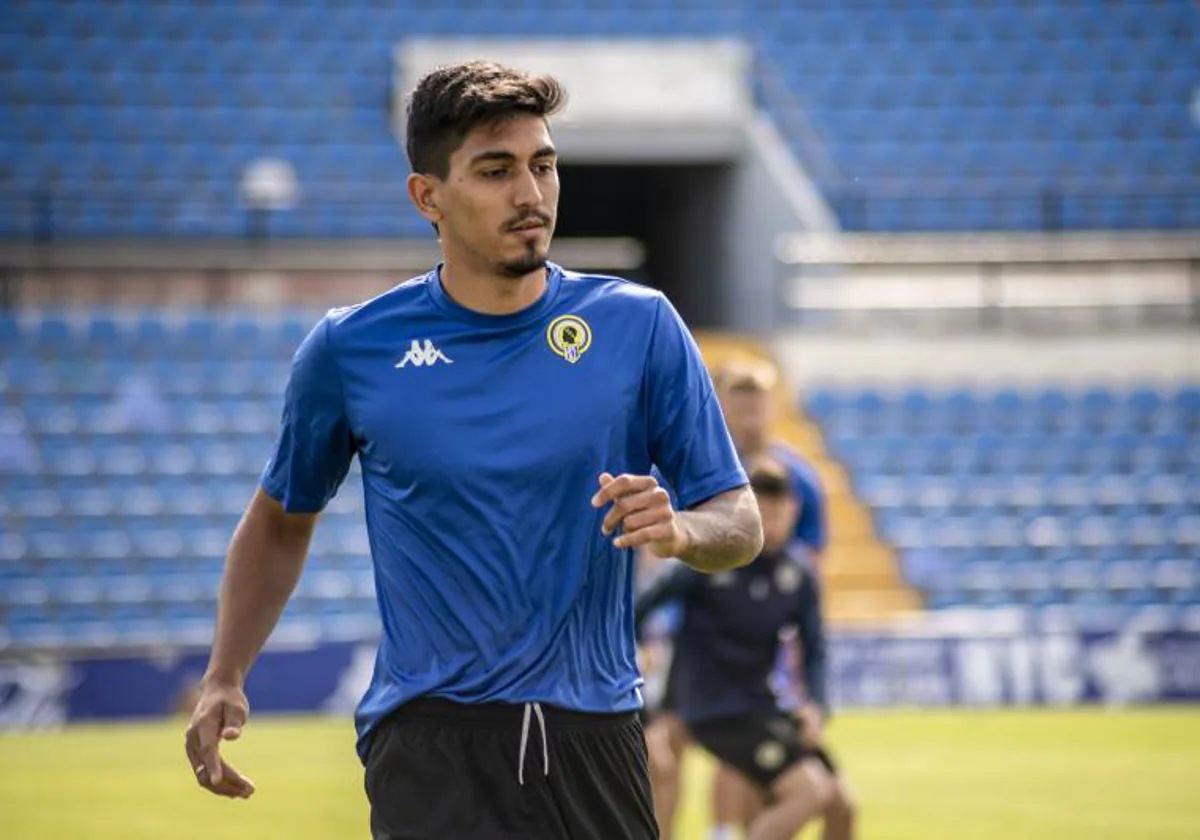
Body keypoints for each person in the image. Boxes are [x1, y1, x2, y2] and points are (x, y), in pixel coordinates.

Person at [183, 60, 764, 840]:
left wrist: (683, 530)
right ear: (429, 196)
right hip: (430, 745)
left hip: (594, 737)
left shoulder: (641, 325)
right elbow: (282, 520)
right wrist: (225, 672)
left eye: (544, 165)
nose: (531, 194)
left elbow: (739, 519)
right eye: (496, 171)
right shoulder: (352, 349)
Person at [644, 357, 830, 837]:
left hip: (754, 642)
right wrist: (646, 636)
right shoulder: (688, 462)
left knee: (746, 759)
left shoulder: (797, 477)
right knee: (664, 754)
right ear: (718, 406)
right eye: (738, 405)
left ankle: (725, 830)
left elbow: (808, 565)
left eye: (757, 406)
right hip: (689, 638)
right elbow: (656, 556)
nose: (749, 417)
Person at [635, 456, 857, 840]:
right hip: (711, 706)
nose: (770, 523)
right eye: (762, 511)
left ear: (793, 510)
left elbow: (814, 646)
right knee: (808, 792)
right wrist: (637, 648)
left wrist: (815, 705)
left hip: (760, 704)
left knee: (842, 805)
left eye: (778, 512)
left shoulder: (799, 573)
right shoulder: (712, 555)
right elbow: (639, 605)